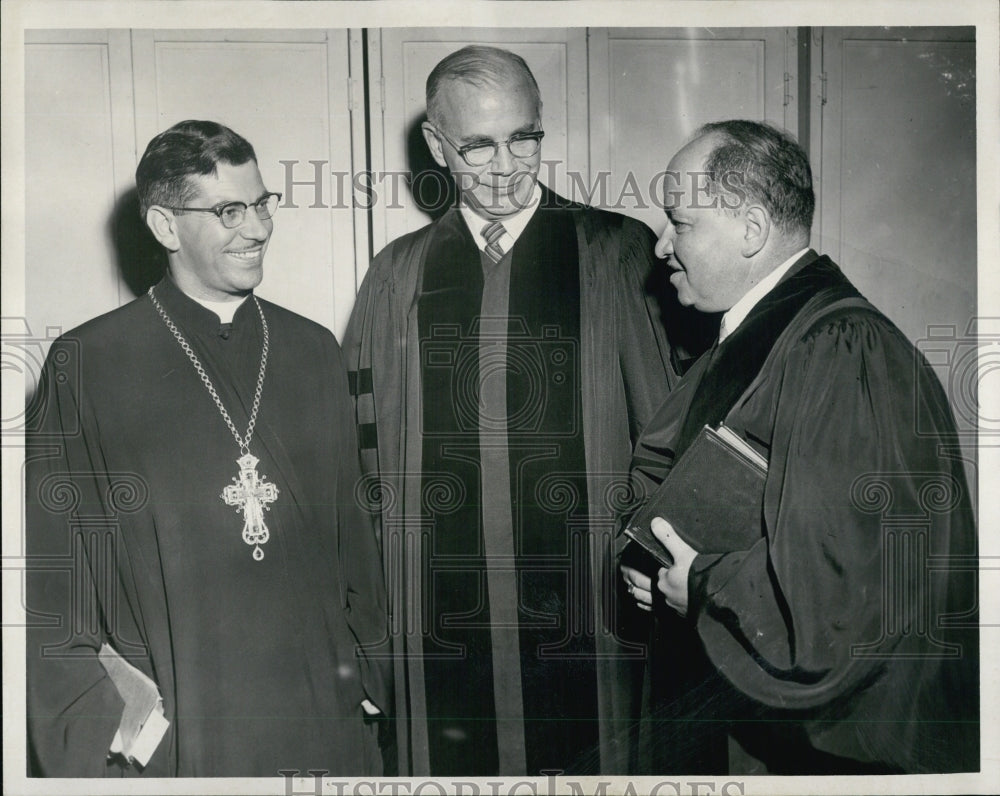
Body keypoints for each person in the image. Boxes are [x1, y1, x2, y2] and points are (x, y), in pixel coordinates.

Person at [343, 45, 710, 777]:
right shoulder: (398, 274)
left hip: (594, 606)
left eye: (525, 138)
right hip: (435, 615)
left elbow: (670, 437)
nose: (506, 165)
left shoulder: (617, 253)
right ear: (436, 146)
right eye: (477, 146)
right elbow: (362, 459)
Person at [25, 120, 390, 777]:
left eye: (261, 203)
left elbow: (353, 540)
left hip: (316, 708)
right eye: (229, 210)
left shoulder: (311, 351)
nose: (257, 229)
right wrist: (95, 728)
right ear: (165, 226)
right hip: (181, 713)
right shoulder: (88, 363)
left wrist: (368, 676)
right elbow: (57, 574)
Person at [620, 120, 979, 774]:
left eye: (682, 223)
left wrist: (696, 584)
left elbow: (842, 584)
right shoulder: (754, 335)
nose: (663, 246)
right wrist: (649, 555)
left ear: (752, 230)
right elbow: (670, 464)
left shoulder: (841, 350)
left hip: (838, 745)